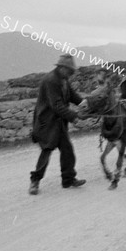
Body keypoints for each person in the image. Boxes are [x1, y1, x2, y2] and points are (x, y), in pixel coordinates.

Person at [29, 54, 86, 195]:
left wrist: (84, 103)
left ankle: (68, 180)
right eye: (69, 70)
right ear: (61, 68)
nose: (70, 73)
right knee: (47, 150)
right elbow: (57, 106)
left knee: (67, 150)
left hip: (58, 122)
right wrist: (74, 117)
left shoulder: (63, 79)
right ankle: (34, 181)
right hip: (47, 122)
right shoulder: (51, 81)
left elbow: (72, 95)